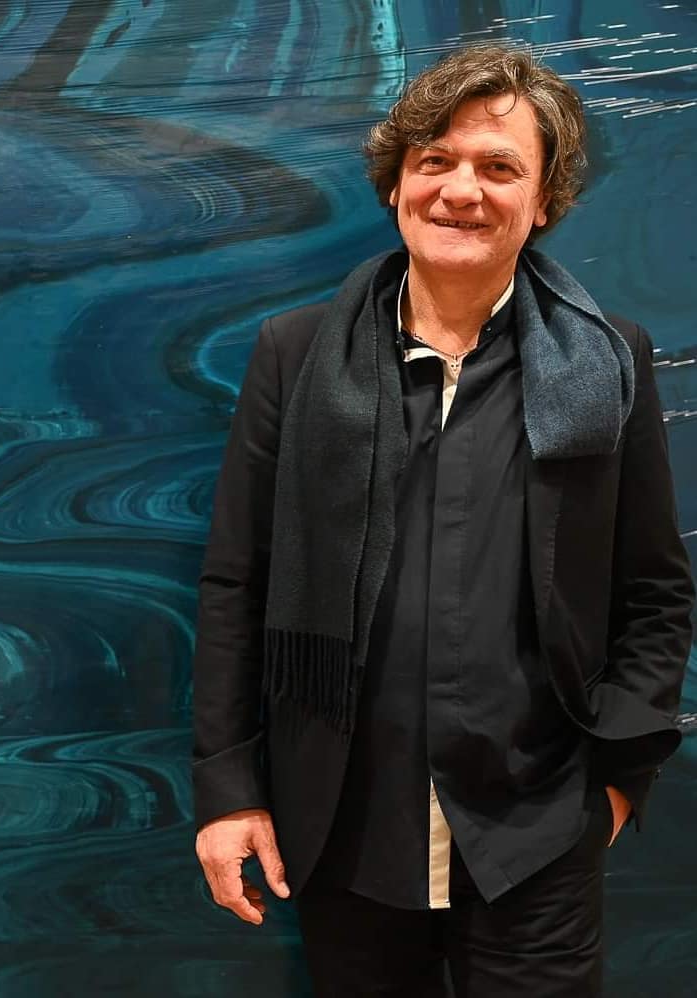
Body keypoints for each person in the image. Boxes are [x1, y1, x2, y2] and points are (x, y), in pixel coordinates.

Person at [191, 43, 694, 997]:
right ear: (397, 184)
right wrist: (228, 793)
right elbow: (236, 583)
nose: (462, 190)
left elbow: (655, 591)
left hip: (538, 833)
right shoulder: (295, 355)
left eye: (500, 167)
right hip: (342, 828)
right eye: (436, 161)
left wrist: (617, 784)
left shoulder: (609, 361)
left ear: (543, 202)